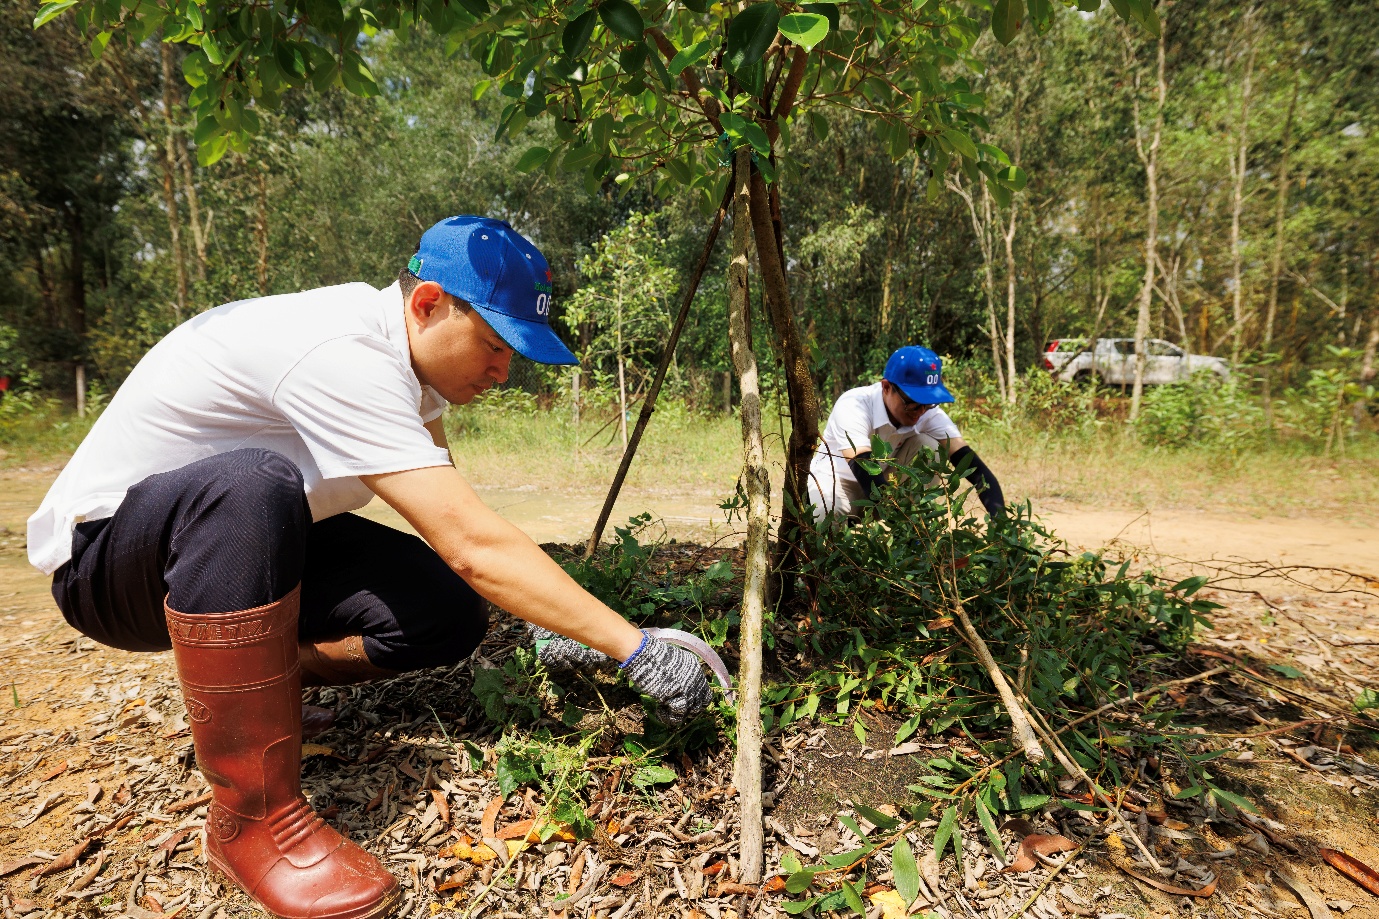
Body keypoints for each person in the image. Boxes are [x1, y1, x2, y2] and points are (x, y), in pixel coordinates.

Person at [27, 216, 713, 919]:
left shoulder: (413, 374)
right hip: (112, 564)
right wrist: (634, 649)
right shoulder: (342, 351)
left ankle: (260, 690)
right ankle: (250, 821)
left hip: (243, 544)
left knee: (442, 605)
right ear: (427, 303)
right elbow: (472, 541)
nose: (505, 370)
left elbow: (458, 527)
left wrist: (554, 622)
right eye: (494, 342)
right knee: (251, 483)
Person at [806, 345, 1005, 522]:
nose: (921, 411)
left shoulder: (926, 411)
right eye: (913, 402)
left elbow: (974, 468)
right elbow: (864, 469)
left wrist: (1002, 524)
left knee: (931, 448)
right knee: (826, 512)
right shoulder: (854, 404)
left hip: (881, 487)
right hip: (838, 485)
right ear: (886, 387)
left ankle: (917, 528)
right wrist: (902, 525)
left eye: (928, 403)